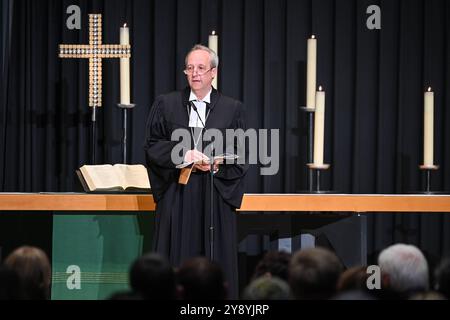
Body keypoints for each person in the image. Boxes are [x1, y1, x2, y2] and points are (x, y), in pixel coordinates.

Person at [144, 44, 248, 298]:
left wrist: (217, 163)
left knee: (215, 262)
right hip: (177, 195)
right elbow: (152, 146)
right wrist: (182, 154)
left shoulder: (232, 109)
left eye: (201, 68)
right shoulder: (166, 104)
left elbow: (243, 153)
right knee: (174, 262)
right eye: (190, 68)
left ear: (213, 72)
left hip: (214, 194)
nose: (195, 73)